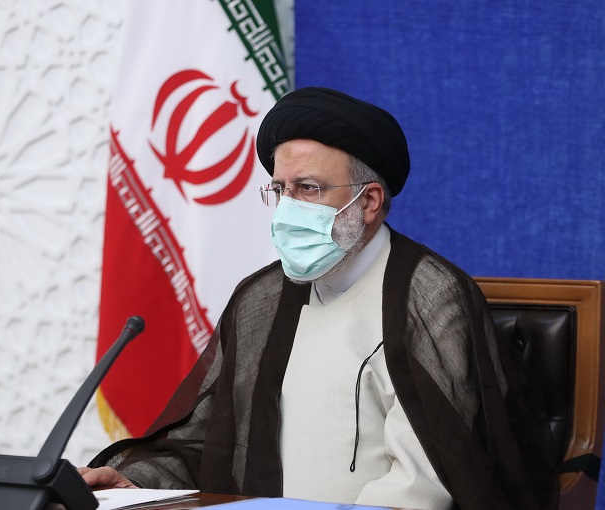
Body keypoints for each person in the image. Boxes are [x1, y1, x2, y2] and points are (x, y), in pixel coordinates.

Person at [80, 87, 559, 510]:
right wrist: (136, 482)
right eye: (279, 189)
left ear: (369, 202)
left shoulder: (430, 296)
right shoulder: (260, 298)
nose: (288, 208)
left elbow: (428, 478)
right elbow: (206, 438)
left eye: (308, 189)